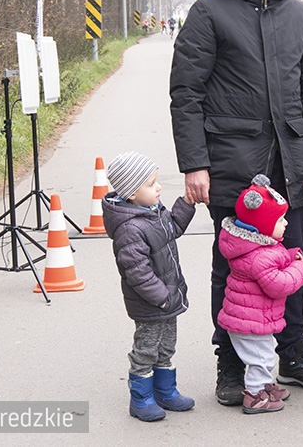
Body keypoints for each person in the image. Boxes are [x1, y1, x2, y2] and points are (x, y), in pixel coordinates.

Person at [169, 0, 303, 406]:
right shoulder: (208, 12)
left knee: (289, 261)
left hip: (289, 165)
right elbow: (187, 94)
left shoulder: (300, 15)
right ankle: (232, 362)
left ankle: (291, 352)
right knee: (235, 268)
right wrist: (195, 163)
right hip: (232, 165)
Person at [102, 151, 196, 422]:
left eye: (157, 181)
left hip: (168, 297)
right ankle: (141, 399)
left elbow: (173, 227)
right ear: (132, 192)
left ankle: (165, 390)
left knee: (167, 346)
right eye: (151, 184)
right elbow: (137, 272)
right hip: (152, 301)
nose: (159, 187)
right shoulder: (130, 228)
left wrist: (187, 203)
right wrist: (161, 297)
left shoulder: (153, 212)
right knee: (146, 349)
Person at [218, 175, 303, 414]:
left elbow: (272, 261)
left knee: (263, 355)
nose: (286, 224)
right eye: (281, 220)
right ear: (263, 226)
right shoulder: (260, 255)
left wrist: (289, 257)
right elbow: (278, 284)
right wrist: (300, 268)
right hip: (250, 322)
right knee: (262, 358)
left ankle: (266, 385)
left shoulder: (256, 245)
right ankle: (256, 395)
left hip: (247, 318)